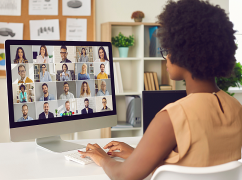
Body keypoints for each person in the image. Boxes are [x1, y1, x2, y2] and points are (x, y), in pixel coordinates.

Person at [78, 0, 242, 179]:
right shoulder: (235, 107)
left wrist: (101, 157)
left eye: (168, 50)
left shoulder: (172, 116)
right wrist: (138, 155)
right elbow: (196, 164)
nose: (167, 57)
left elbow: (123, 175)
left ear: (184, 53)